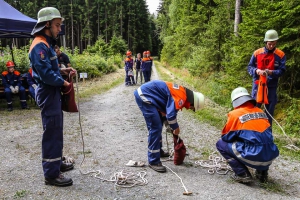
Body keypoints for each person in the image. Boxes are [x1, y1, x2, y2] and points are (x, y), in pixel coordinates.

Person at [29, 7, 76, 187]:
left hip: (52, 91)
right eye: (57, 25)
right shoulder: (39, 45)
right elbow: (46, 74)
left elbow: (51, 69)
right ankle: (51, 174)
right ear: (46, 24)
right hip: (47, 92)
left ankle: (56, 163)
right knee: (52, 131)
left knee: (56, 129)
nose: (59, 29)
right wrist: (63, 82)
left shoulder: (47, 44)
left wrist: (63, 70)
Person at [134, 80, 204, 172]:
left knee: (160, 123)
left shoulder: (183, 93)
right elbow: (171, 115)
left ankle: (158, 151)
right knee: (156, 127)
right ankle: (153, 161)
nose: (190, 109)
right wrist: (175, 127)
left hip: (148, 95)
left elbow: (170, 111)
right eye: (192, 108)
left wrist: (169, 124)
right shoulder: (182, 97)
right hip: (145, 96)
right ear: (193, 102)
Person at [216, 87, 279, 183]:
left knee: (221, 144)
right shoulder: (261, 112)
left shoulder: (235, 114)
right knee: (261, 142)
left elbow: (226, 137)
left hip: (253, 155)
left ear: (235, 102)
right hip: (270, 156)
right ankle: (262, 174)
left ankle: (242, 174)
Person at [247, 29, 286, 125]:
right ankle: (250, 131)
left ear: (276, 42)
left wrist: (271, 72)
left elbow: (282, 71)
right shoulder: (257, 53)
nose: (271, 46)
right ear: (265, 42)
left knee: (269, 114)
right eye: (269, 44)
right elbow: (249, 67)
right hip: (257, 87)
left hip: (271, 88)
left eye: (273, 43)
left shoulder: (280, 55)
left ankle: (267, 135)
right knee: (253, 111)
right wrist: (257, 71)